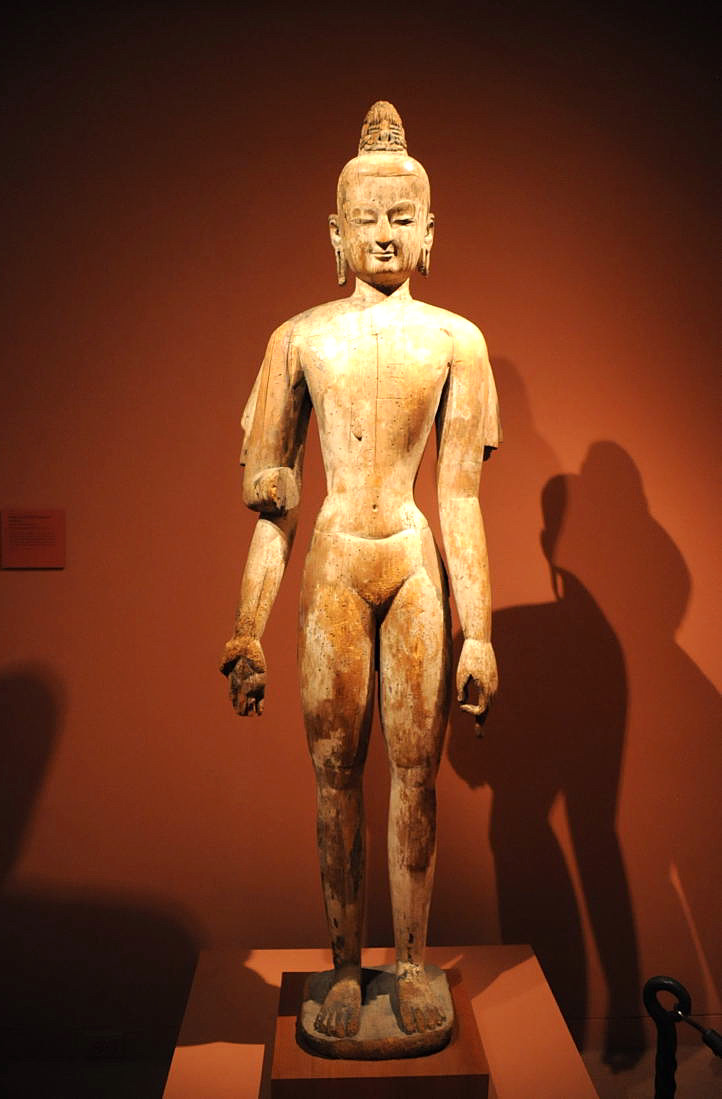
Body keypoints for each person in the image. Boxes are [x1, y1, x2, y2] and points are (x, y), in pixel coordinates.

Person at [220, 101, 500, 1040]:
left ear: (431, 231)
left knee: (416, 775)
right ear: (335, 234)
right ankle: (344, 966)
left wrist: (479, 633)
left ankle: (412, 962)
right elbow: (276, 507)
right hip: (336, 561)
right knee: (336, 774)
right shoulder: (299, 340)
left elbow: (459, 496)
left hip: (412, 563)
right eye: (367, 219)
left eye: (401, 218)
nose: (385, 235)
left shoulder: (456, 342)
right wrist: (247, 627)